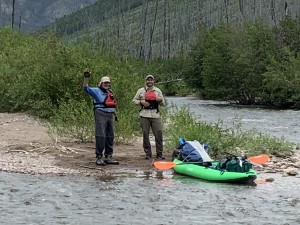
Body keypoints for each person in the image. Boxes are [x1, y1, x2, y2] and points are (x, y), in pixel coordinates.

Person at [82, 69, 119, 166]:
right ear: (101, 83)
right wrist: (86, 77)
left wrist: (115, 114)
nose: (106, 84)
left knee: (110, 136)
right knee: (101, 135)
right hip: (100, 113)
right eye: (105, 83)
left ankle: (108, 156)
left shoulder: (110, 92)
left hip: (110, 115)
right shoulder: (96, 90)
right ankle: (99, 157)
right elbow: (85, 88)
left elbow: (112, 104)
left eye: (108, 83)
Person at [132, 74, 165, 160]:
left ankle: (160, 153)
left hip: (155, 115)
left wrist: (160, 100)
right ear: (146, 81)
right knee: (145, 134)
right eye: (148, 80)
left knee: (158, 133)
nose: (149, 81)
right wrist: (141, 102)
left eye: (151, 80)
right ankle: (148, 153)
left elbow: (163, 103)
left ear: (153, 81)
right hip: (144, 115)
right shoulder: (141, 90)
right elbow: (134, 100)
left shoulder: (157, 91)